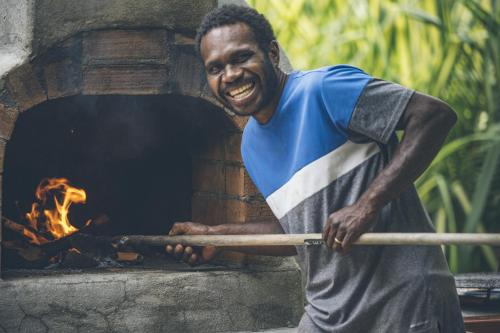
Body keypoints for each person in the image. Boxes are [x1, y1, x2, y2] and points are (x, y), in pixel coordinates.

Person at [166, 5, 464, 332]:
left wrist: (367, 205)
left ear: (273, 53)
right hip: (328, 317)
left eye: (241, 58)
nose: (231, 75)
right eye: (216, 68)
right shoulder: (250, 146)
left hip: (405, 308)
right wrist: (215, 237)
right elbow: (299, 234)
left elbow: (434, 116)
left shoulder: (324, 90)